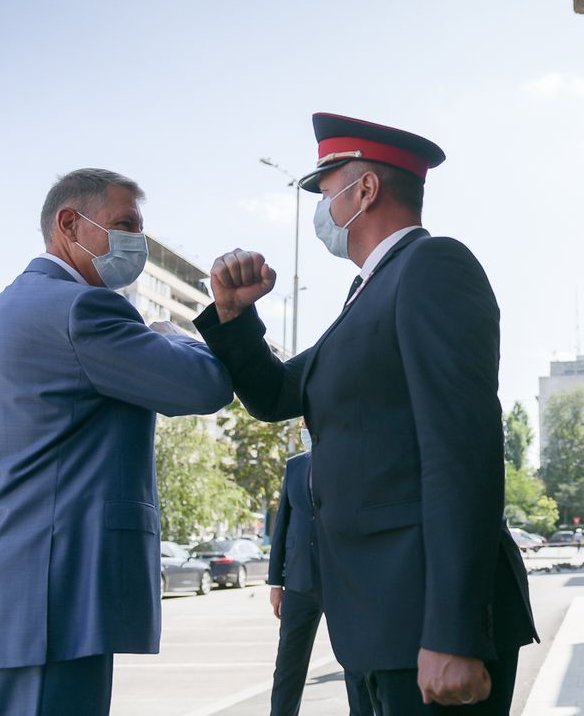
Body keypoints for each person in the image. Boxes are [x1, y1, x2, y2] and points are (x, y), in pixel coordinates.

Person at [197, 113, 537, 715]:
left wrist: (453, 633)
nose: (321, 207)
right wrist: (233, 314)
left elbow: (463, 453)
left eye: (326, 189)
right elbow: (277, 396)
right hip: (380, 622)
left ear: (366, 190)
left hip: (425, 624)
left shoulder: (433, 268)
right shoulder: (369, 292)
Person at [0, 168, 234, 716]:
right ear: (69, 224)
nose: (137, 244)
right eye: (124, 224)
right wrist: (166, 334)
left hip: (4, 600)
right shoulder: (81, 309)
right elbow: (203, 385)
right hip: (54, 602)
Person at [269, 450, 373, 716]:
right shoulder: (295, 465)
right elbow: (283, 524)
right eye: (302, 421)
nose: (305, 424)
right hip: (298, 582)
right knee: (287, 668)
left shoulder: (351, 457)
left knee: (356, 668)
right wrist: (275, 583)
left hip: (343, 581)